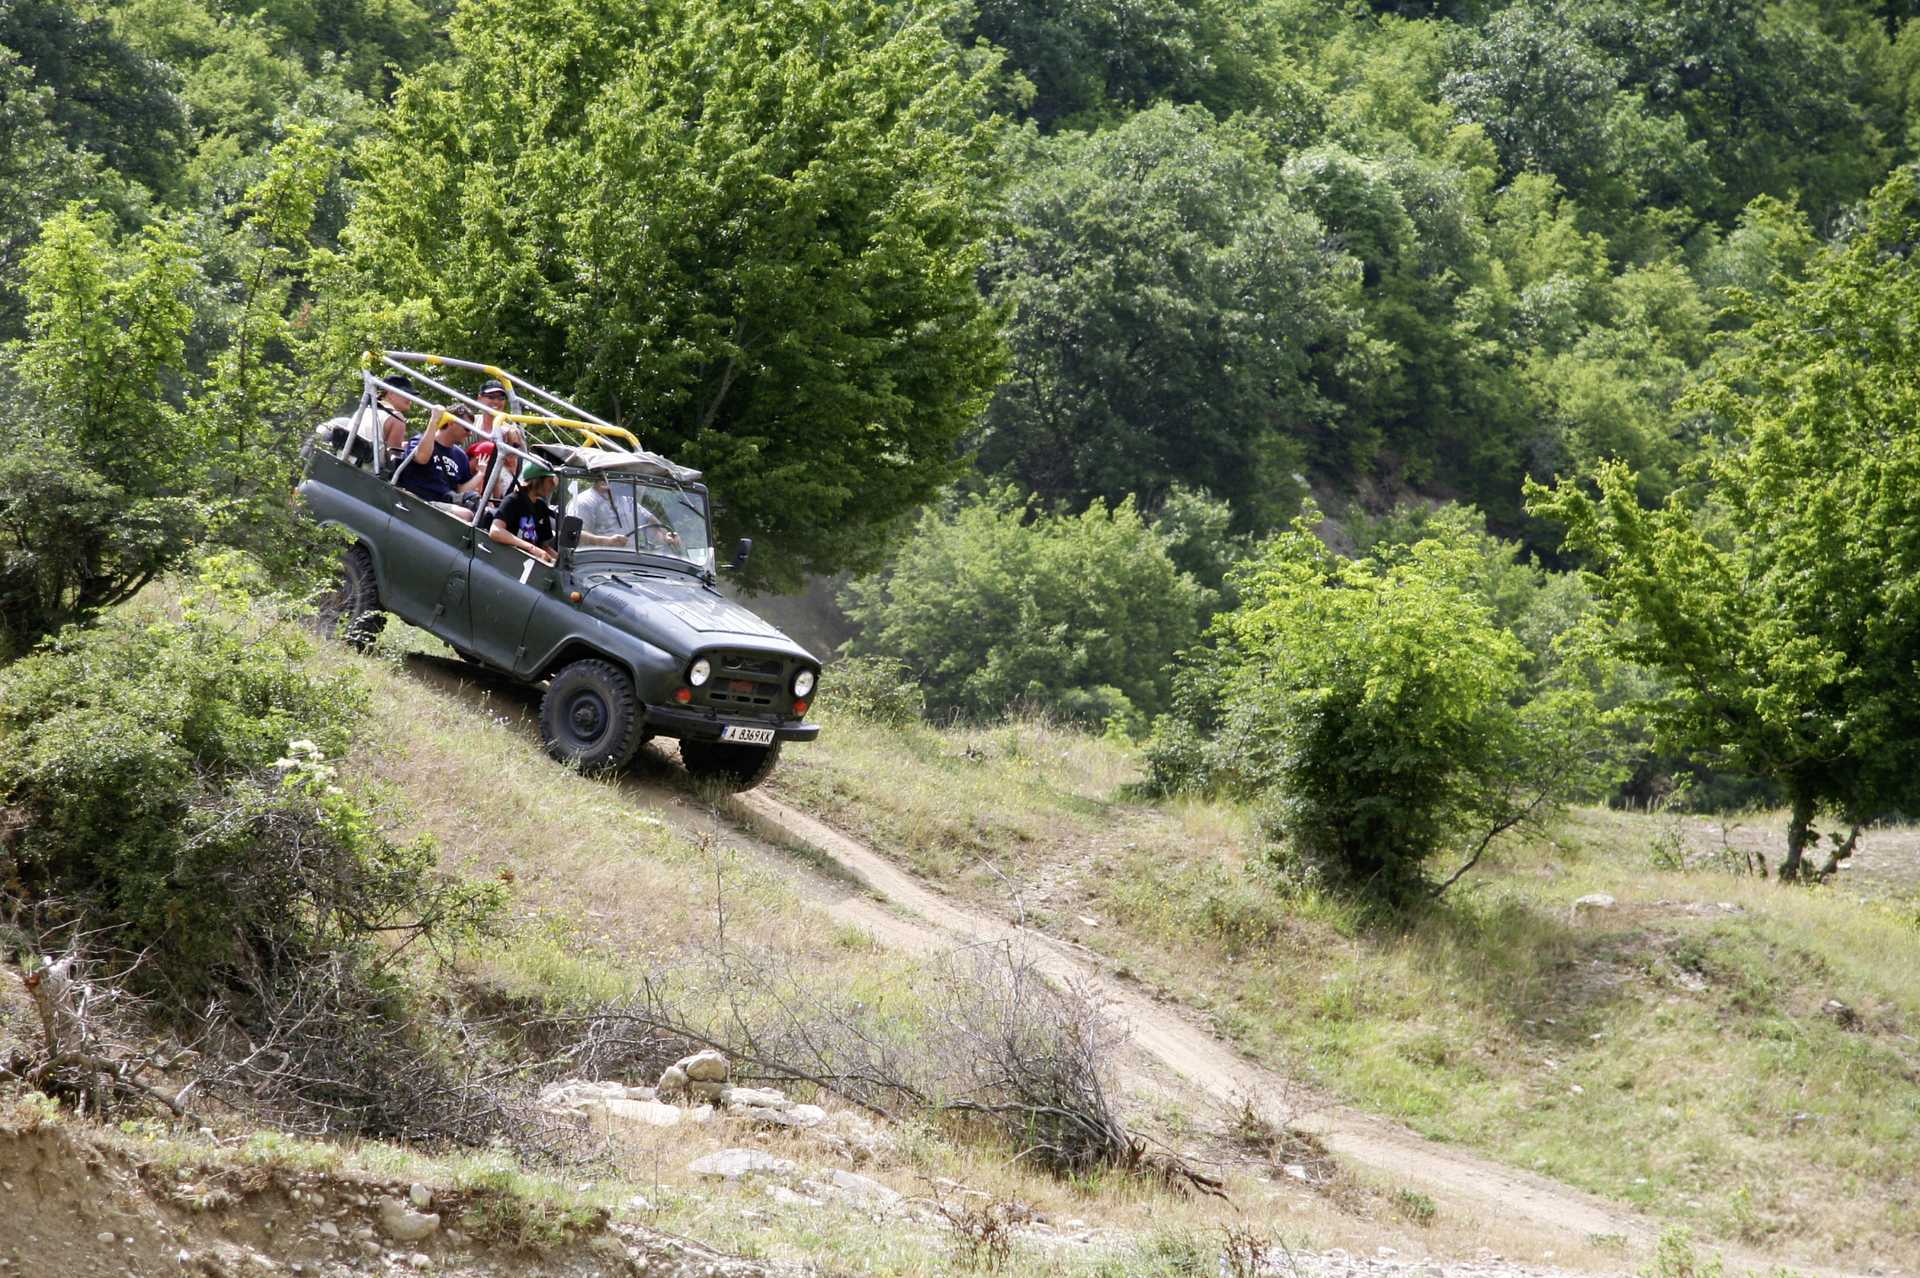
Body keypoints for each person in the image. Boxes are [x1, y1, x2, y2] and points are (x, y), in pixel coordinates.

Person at [395, 406, 476, 521]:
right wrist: (434, 421)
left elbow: (461, 490)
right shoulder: (420, 441)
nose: (470, 434)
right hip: (419, 502)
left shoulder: (461, 456)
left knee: (481, 508)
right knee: (465, 515)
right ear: (451, 423)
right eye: (467, 428)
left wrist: (481, 474)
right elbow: (422, 458)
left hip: (447, 502)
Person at [567, 474, 680, 550]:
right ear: (603, 482)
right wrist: (606, 542)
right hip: (596, 563)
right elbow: (573, 534)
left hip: (631, 562)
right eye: (620, 479)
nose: (625, 483)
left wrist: (666, 537)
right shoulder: (584, 502)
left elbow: (651, 523)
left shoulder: (628, 501)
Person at [489, 461, 561, 565]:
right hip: (509, 561)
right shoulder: (513, 500)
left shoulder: (541, 506)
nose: (553, 485)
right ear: (537, 480)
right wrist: (531, 548)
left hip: (531, 564)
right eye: (550, 481)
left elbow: (544, 547)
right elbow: (495, 531)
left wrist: (562, 562)